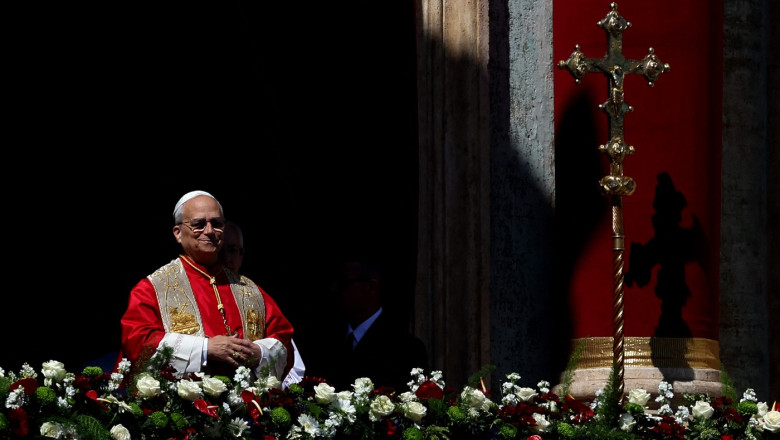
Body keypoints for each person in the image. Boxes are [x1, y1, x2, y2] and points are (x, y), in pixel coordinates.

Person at [119, 190, 294, 381]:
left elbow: (284, 341)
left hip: (244, 407)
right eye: (198, 224)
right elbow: (138, 345)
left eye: (217, 223)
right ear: (178, 233)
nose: (209, 231)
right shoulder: (151, 289)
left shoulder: (250, 290)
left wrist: (260, 352)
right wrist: (205, 348)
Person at [312, 257, 428, 391]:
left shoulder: (406, 348)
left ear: (371, 286)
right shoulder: (326, 340)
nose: (334, 289)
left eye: (344, 283)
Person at [218, 219, 306, 388]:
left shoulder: (258, 295)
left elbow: (285, 347)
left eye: (233, 250)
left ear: (242, 255)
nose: (226, 258)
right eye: (221, 250)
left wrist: (259, 352)